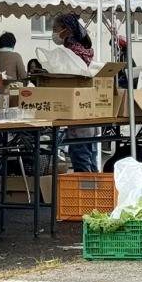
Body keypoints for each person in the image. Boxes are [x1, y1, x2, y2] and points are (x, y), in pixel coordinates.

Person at [51, 13, 99, 172]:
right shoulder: (83, 49)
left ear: (67, 29)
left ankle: (86, 187)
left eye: (55, 28)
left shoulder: (70, 52)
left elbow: (64, 78)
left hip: (77, 110)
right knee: (90, 156)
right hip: (89, 109)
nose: (53, 33)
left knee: (81, 156)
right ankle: (96, 186)